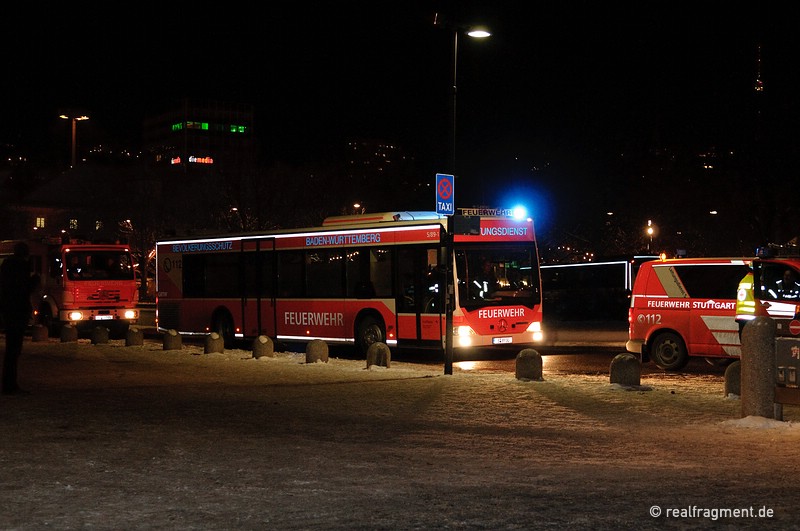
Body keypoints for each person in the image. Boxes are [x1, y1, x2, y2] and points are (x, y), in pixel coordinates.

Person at [1, 242, 38, 395]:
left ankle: (9, 383)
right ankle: (10, 385)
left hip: (8, 311)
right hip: (17, 311)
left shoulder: (6, 266)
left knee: (11, 349)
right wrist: (34, 281)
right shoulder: (21, 267)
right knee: (14, 350)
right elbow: (23, 289)